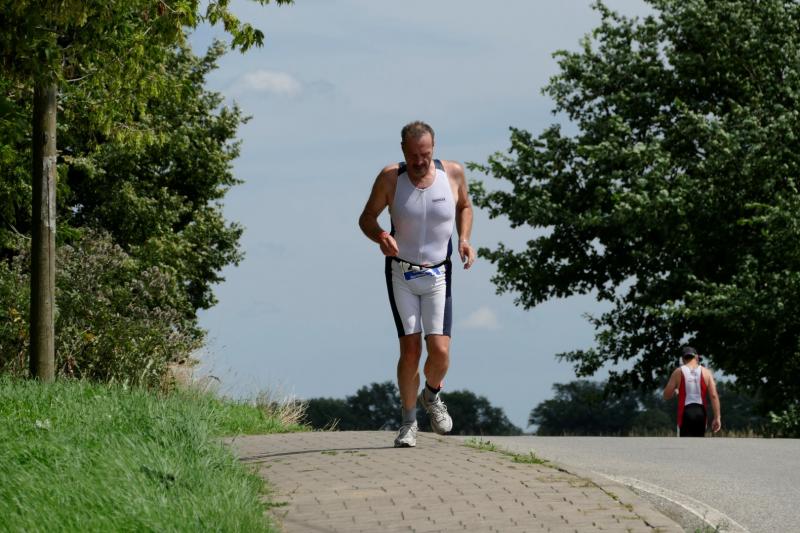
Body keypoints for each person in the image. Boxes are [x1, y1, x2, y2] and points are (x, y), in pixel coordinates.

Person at [359, 121, 476, 447]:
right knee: (410, 350)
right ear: (403, 151)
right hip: (402, 273)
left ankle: (432, 395)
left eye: (425, 154)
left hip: (439, 274)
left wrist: (464, 239)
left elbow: (464, 206)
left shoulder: (452, 173)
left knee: (440, 351)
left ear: (433, 148)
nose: (420, 162)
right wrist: (381, 236)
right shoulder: (390, 178)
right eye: (413, 156)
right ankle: (409, 422)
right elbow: (366, 218)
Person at [663, 346, 722, 437]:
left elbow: (666, 395)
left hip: (685, 412)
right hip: (701, 412)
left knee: (685, 443)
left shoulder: (678, 372)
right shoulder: (706, 372)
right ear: (697, 357)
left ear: (683, 359)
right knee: (698, 443)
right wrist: (717, 417)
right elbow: (714, 396)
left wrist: (675, 392)